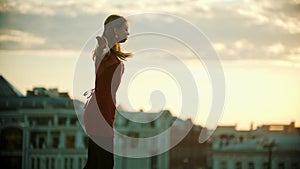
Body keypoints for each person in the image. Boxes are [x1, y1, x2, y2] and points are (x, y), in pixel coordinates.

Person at [83, 14, 131, 169]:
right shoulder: (105, 52)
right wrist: (102, 47)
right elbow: (102, 53)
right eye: (125, 29)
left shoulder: (111, 54)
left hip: (102, 110)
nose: (128, 33)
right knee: (104, 164)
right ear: (115, 30)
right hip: (100, 111)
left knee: (95, 163)